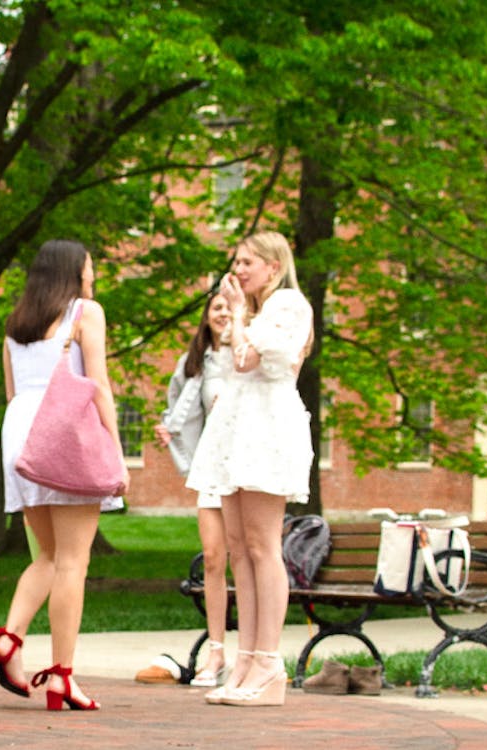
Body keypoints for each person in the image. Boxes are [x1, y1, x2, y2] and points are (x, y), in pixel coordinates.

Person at [0, 239, 130, 711]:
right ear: (74, 273)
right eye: (90, 267)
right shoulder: (87, 312)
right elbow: (99, 385)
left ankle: (9, 639)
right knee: (72, 561)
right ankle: (63, 675)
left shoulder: (16, 322)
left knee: (46, 553)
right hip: (64, 428)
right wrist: (118, 452)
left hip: (22, 430)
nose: (93, 275)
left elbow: (12, 392)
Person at [186, 231, 313, 707]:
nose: (237, 270)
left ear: (273, 267)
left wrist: (238, 317)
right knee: (239, 548)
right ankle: (244, 658)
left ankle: (269, 661)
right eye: (236, 262)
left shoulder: (288, 306)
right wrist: (242, 317)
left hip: (266, 433)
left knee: (263, 546)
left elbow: (244, 360)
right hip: (237, 433)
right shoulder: (259, 313)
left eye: (247, 263)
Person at [148, 293, 233, 688]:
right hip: (215, 466)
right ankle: (215, 652)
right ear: (205, 316)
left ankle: (253, 654)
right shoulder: (196, 364)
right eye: (216, 307)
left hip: (250, 466)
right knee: (214, 559)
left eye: (230, 307)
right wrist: (173, 431)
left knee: (249, 559)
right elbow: (179, 406)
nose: (223, 312)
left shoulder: (251, 351)